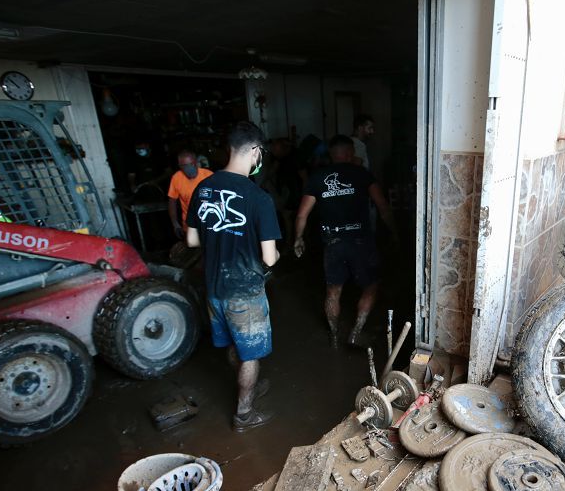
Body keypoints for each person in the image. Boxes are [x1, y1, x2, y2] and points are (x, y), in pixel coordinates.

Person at [186, 122, 282, 432]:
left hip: (214, 286)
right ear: (255, 151)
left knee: (233, 343)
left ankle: (248, 383)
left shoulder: (203, 187)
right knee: (251, 355)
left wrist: (220, 236)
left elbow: (191, 241)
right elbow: (269, 257)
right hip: (245, 290)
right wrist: (276, 255)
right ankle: (244, 413)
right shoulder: (258, 197)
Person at [293, 134, 395, 348]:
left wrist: (298, 238)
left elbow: (302, 215)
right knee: (371, 286)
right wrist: (395, 233)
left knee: (333, 291)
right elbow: (382, 206)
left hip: (332, 242)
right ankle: (356, 331)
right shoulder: (362, 174)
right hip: (360, 240)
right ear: (349, 153)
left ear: (331, 155)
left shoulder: (317, 177)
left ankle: (334, 336)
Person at [167, 150, 213, 239]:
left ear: (196, 163)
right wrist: (175, 224)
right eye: (184, 166)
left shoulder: (209, 176)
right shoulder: (176, 178)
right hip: (190, 226)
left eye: (191, 164)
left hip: (210, 224)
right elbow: (172, 201)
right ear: (180, 166)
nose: (188, 168)